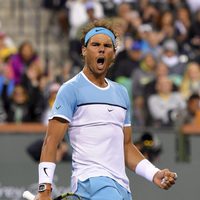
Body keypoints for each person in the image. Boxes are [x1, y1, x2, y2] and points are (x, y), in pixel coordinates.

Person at [35, 19, 177, 200]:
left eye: (107, 45)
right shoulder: (71, 89)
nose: (101, 49)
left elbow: (126, 146)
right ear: (84, 51)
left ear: (114, 53)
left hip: (121, 186)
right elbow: (51, 141)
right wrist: (44, 190)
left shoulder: (121, 93)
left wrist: (153, 173)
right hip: (91, 181)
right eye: (95, 44)